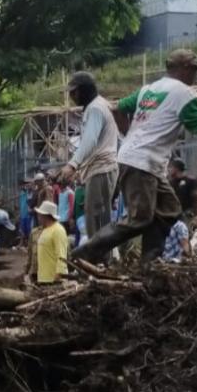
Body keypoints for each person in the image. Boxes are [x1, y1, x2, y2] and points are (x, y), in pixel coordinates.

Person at [72, 49, 197, 265]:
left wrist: (130, 136)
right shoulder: (185, 94)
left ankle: (149, 261)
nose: (195, 77)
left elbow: (117, 108)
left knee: (170, 210)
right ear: (184, 68)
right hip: (142, 163)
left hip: (140, 161)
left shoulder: (149, 89)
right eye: (194, 70)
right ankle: (86, 252)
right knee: (140, 219)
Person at [57, 72, 119, 256]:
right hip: (100, 169)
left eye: (74, 92)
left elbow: (89, 141)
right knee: (99, 221)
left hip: (101, 169)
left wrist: (73, 164)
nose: (71, 96)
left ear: (84, 90)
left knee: (97, 222)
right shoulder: (101, 105)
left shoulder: (95, 108)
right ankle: (106, 260)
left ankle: (102, 262)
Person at [34, 201, 69, 284]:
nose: (38, 217)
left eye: (40, 214)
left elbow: (61, 255)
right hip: (43, 278)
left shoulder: (58, 230)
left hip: (53, 279)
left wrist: (59, 275)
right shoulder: (45, 230)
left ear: (46, 216)